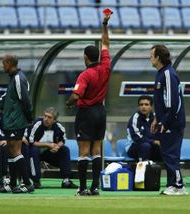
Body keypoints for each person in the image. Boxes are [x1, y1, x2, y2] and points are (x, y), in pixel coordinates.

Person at [66, 12, 112, 196]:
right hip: (101, 111)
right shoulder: (106, 65)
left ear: (86, 57)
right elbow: (106, 43)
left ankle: (83, 188)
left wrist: (69, 103)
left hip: (86, 113)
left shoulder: (85, 74)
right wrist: (104, 25)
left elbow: (76, 95)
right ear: (98, 56)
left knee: (83, 151)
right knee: (96, 150)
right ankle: (95, 187)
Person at [0, 54, 34, 194]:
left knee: (16, 151)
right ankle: (12, 183)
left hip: (16, 121)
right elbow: (4, 101)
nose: (2, 65)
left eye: (3, 63)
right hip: (11, 121)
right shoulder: (13, 79)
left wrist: (29, 118)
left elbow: (25, 101)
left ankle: (27, 183)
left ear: (9, 63)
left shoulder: (18, 78)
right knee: (11, 152)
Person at [150, 45, 188, 195]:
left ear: (158, 57)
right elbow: (162, 101)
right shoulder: (161, 74)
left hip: (172, 122)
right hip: (165, 120)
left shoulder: (168, 74)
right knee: (167, 153)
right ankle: (172, 185)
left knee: (171, 154)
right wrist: (156, 119)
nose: (150, 57)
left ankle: (178, 186)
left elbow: (172, 103)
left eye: (151, 55)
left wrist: (165, 123)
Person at [25, 107, 78, 189]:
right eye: (45, 116)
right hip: (34, 152)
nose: (46, 119)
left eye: (49, 117)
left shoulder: (59, 126)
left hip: (49, 153)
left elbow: (63, 140)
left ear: (54, 120)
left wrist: (57, 146)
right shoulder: (37, 124)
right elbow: (31, 142)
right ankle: (36, 181)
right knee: (34, 150)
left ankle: (66, 180)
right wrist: (48, 145)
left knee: (64, 150)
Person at [126, 95, 161, 161]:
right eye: (141, 105)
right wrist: (153, 141)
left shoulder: (155, 118)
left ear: (151, 106)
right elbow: (137, 138)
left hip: (150, 145)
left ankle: (157, 169)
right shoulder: (135, 118)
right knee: (145, 146)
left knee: (162, 147)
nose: (143, 107)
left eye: (146, 104)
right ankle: (142, 168)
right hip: (133, 146)